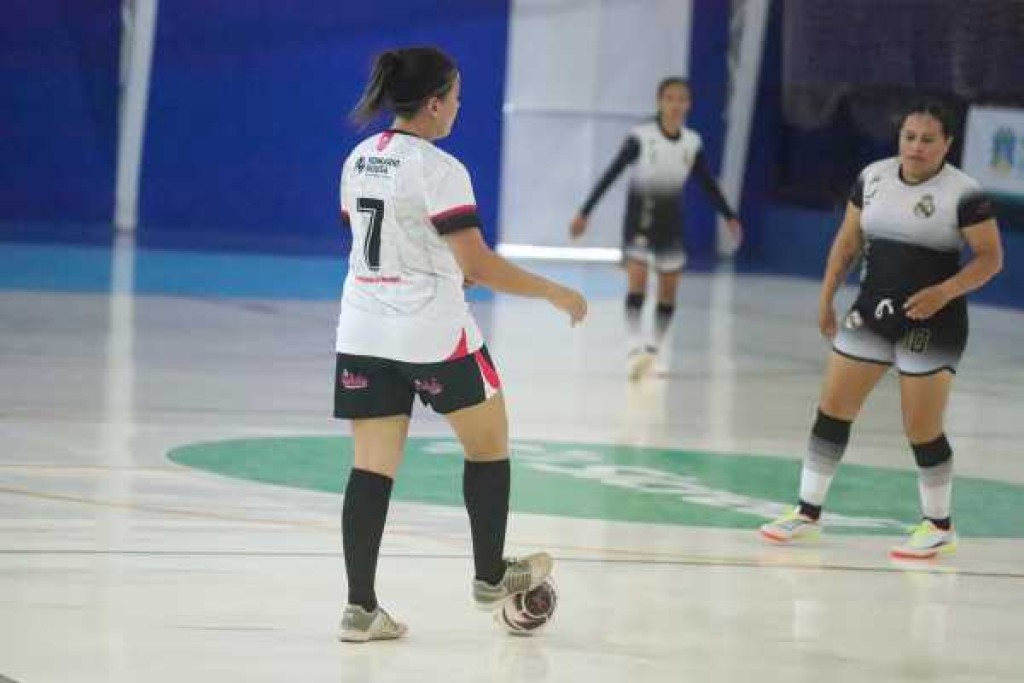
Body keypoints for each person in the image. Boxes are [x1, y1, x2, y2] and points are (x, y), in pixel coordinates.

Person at [335, 46, 588, 642]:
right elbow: (478, 263)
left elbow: (373, 236)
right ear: (432, 103)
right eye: (454, 99)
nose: (457, 108)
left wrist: (442, 265)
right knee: (489, 444)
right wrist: (554, 291)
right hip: (432, 333)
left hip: (363, 329)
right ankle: (489, 575)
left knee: (371, 468)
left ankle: (360, 609)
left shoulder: (359, 157)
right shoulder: (441, 168)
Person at [759, 101, 1003, 559]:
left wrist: (944, 292)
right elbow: (847, 242)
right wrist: (827, 297)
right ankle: (806, 514)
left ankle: (939, 526)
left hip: (933, 321)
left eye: (928, 139)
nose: (916, 146)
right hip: (871, 313)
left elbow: (991, 259)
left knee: (921, 427)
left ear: (947, 144)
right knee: (833, 408)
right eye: (909, 136)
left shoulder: (964, 193)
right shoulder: (873, 178)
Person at [569, 77, 742, 379]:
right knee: (637, 283)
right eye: (670, 98)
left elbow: (707, 183)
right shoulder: (641, 137)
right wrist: (585, 212)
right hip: (639, 222)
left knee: (668, 293)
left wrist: (729, 215)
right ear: (660, 102)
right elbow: (611, 173)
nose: (675, 105)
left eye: (682, 99)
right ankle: (634, 347)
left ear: (688, 105)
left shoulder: (692, 143)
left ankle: (654, 351)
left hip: (671, 226)